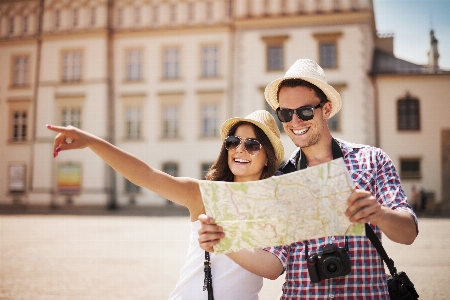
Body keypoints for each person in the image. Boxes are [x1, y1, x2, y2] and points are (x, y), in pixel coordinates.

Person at [198, 59, 419, 299]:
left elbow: (408, 234)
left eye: (304, 111)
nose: (295, 122)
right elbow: (273, 266)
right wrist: (224, 240)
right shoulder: (280, 180)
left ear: (326, 109)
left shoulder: (372, 160)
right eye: (285, 113)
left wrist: (379, 214)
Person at [46, 109, 285, 300]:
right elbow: (146, 175)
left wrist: (222, 242)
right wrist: (92, 142)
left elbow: (273, 269)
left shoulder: (274, 204)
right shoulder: (205, 194)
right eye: (233, 142)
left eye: (252, 145)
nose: (240, 149)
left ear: (267, 157)